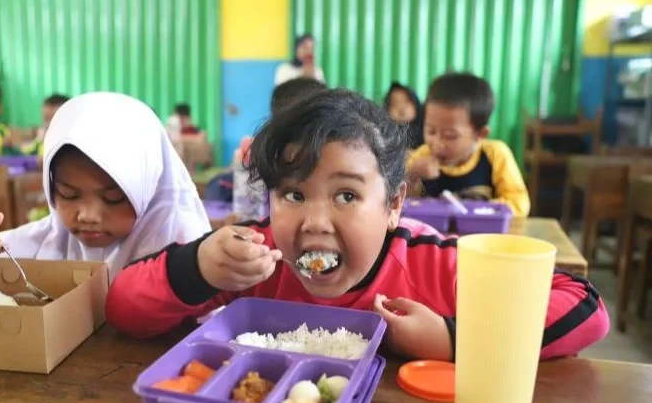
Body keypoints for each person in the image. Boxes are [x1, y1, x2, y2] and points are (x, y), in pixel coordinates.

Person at [104, 88, 609, 362]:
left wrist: (454, 340)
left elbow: (585, 307)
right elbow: (124, 307)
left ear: (393, 205)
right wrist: (200, 268)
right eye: (293, 194)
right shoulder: (252, 257)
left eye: (346, 195)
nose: (315, 221)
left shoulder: (428, 265)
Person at [0, 92, 212, 280]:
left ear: (148, 189)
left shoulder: (186, 250)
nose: (86, 214)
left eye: (112, 198)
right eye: (68, 194)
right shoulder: (50, 241)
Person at [406, 72, 530, 216]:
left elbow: (519, 203)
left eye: (449, 136)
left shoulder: (495, 155)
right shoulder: (423, 155)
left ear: (480, 134)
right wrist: (412, 174)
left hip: (484, 236)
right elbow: (396, 200)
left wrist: (478, 211)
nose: (436, 143)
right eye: (431, 131)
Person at [20, 94, 71, 159]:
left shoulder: (69, 143)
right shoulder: (41, 140)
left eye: (53, 119)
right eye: (46, 119)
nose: (48, 125)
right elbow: (27, 154)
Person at [383, 82, 424, 149]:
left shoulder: (426, 130)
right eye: (394, 103)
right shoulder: (385, 135)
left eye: (407, 101)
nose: (401, 108)